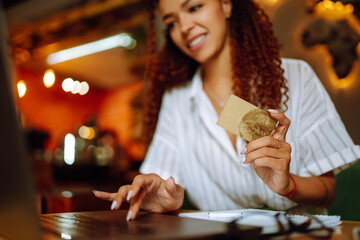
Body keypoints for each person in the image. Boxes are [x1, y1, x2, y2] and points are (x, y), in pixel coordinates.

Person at [93, 0, 360, 221]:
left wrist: (288, 185)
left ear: (226, 4)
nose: (184, 27)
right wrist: (160, 197)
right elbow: (161, 181)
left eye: (194, 7)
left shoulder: (296, 77)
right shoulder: (177, 100)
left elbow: (328, 190)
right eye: (171, 22)